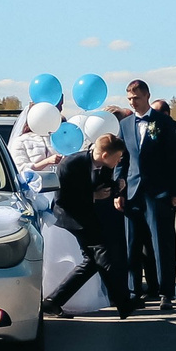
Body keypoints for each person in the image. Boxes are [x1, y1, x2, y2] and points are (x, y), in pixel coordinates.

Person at [49, 133, 136, 318]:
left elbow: (104, 188)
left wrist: (116, 187)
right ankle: (123, 303)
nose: (119, 161)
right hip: (71, 216)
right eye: (118, 157)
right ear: (105, 155)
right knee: (103, 256)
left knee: (92, 262)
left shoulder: (104, 166)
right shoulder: (71, 164)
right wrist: (92, 197)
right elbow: (62, 199)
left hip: (89, 216)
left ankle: (53, 302)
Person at [127, 91, 176, 305]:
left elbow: (175, 160)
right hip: (132, 192)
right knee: (132, 245)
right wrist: (119, 189)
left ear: (146, 96)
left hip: (158, 192)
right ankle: (133, 292)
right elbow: (123, 160)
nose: (132, 102)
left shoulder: (164, 123)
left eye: (136, 98)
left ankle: (166, 292)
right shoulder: (125, 124)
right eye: (129, 98)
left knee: (160, 242)